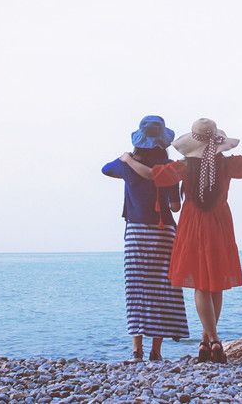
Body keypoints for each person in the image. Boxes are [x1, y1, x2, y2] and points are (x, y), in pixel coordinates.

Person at [120, 118, 242, 363]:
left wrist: (127, 159)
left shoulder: (183, 166)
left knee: (201, 285)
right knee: (216, 283)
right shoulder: (227, 164)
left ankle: (213, 340)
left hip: (192, 225)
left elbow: (150, 174)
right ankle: (206, 340)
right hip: (220, 224)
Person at [102, 115, 189, 362]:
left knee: (137, 289)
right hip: (164, 233)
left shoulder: (126, 164)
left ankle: (136, 350)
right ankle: (156, 351)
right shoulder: (170, 168)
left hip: (137, 233)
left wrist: (127, 158)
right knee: (163, 288)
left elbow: (105, 169)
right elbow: (175, 207)